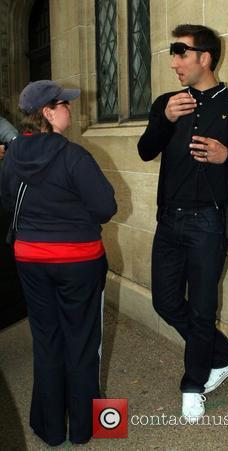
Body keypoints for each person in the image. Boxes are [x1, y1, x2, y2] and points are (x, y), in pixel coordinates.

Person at [138, 25, 228, 422]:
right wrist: (163, 119)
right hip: (169, 220)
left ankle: (193, 384)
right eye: (173, 52)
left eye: (181, 52)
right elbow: (146, 150)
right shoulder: (167, 102)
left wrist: (226, 156)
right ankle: (226, 356)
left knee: (200, 310)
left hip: (208, 223)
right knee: (165, 302)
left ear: (205, 57)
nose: (174, 61)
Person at [1, 80, 117, 446]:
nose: (70, 109)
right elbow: (107, 207)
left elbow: (7, 203)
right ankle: (85, 429)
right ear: (48, 113)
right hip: (79, 262)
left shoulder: (12, 157)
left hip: (31, 261)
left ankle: (50, 429)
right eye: (63, 104)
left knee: (47, 340)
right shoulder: (74, 156)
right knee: (82, 341)